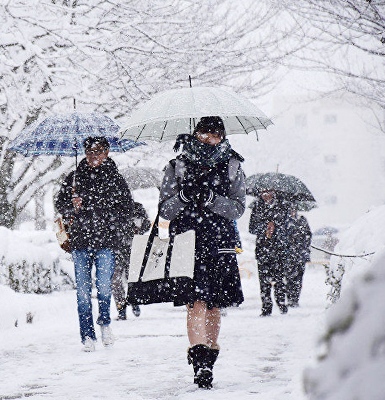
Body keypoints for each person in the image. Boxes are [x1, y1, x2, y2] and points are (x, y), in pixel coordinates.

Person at [158, 116, 246, 389]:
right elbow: (164, 210)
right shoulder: (177, 166)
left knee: (214, 304)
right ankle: (200, 364)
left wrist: (211, 199)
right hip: (187, 242)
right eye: (205, 134)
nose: (210, 139)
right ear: (195, 134)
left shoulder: (233, 165)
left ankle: (210, 356)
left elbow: (238, 209)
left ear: (222, 135)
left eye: (216, 134)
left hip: (219, 242)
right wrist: (184, 196)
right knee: (195, 303)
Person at [54, 136, 134, 352]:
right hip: (80, 242)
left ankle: (105, 323)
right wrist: (72, 205)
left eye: (98, 151)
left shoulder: (115, 179)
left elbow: (127, 208)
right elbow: (60, 204)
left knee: (105, 287)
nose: (93, 156)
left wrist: (107, 214)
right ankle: (87, 335)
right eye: (89, 151)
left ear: (107, 152)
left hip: (106, 242)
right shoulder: (74, 178)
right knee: (82, 292)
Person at [248, 189, 291, 316]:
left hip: (278, 249)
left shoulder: (282, 206)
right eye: (263, 192)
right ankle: (266, 306)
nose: (265, 195)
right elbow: (252, 228)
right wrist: (264, 227)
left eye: (268, 192)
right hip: (263, 249)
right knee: (264, 282)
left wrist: (275, 227)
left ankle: (281, 302)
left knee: (279, 278)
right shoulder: (257, 206)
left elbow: (287, 226)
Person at [112, 201, 151, 320]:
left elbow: (147, 224)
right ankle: (122, 308)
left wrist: (138, 228)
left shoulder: (136, 207)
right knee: (116, 281)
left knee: (130, 278)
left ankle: (133, 302)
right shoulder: (110, 207)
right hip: (117, 248)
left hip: (131, 248)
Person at [285, 207, 312, 307]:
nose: (292, 212)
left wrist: (303, 246)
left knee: (298, 277)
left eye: (293, 210)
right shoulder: (285, 221)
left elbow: (308, 235)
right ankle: (290, 298)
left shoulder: (302, 220)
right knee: (289, 277)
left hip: (300, 254)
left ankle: (295, 298)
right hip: (289, 255)